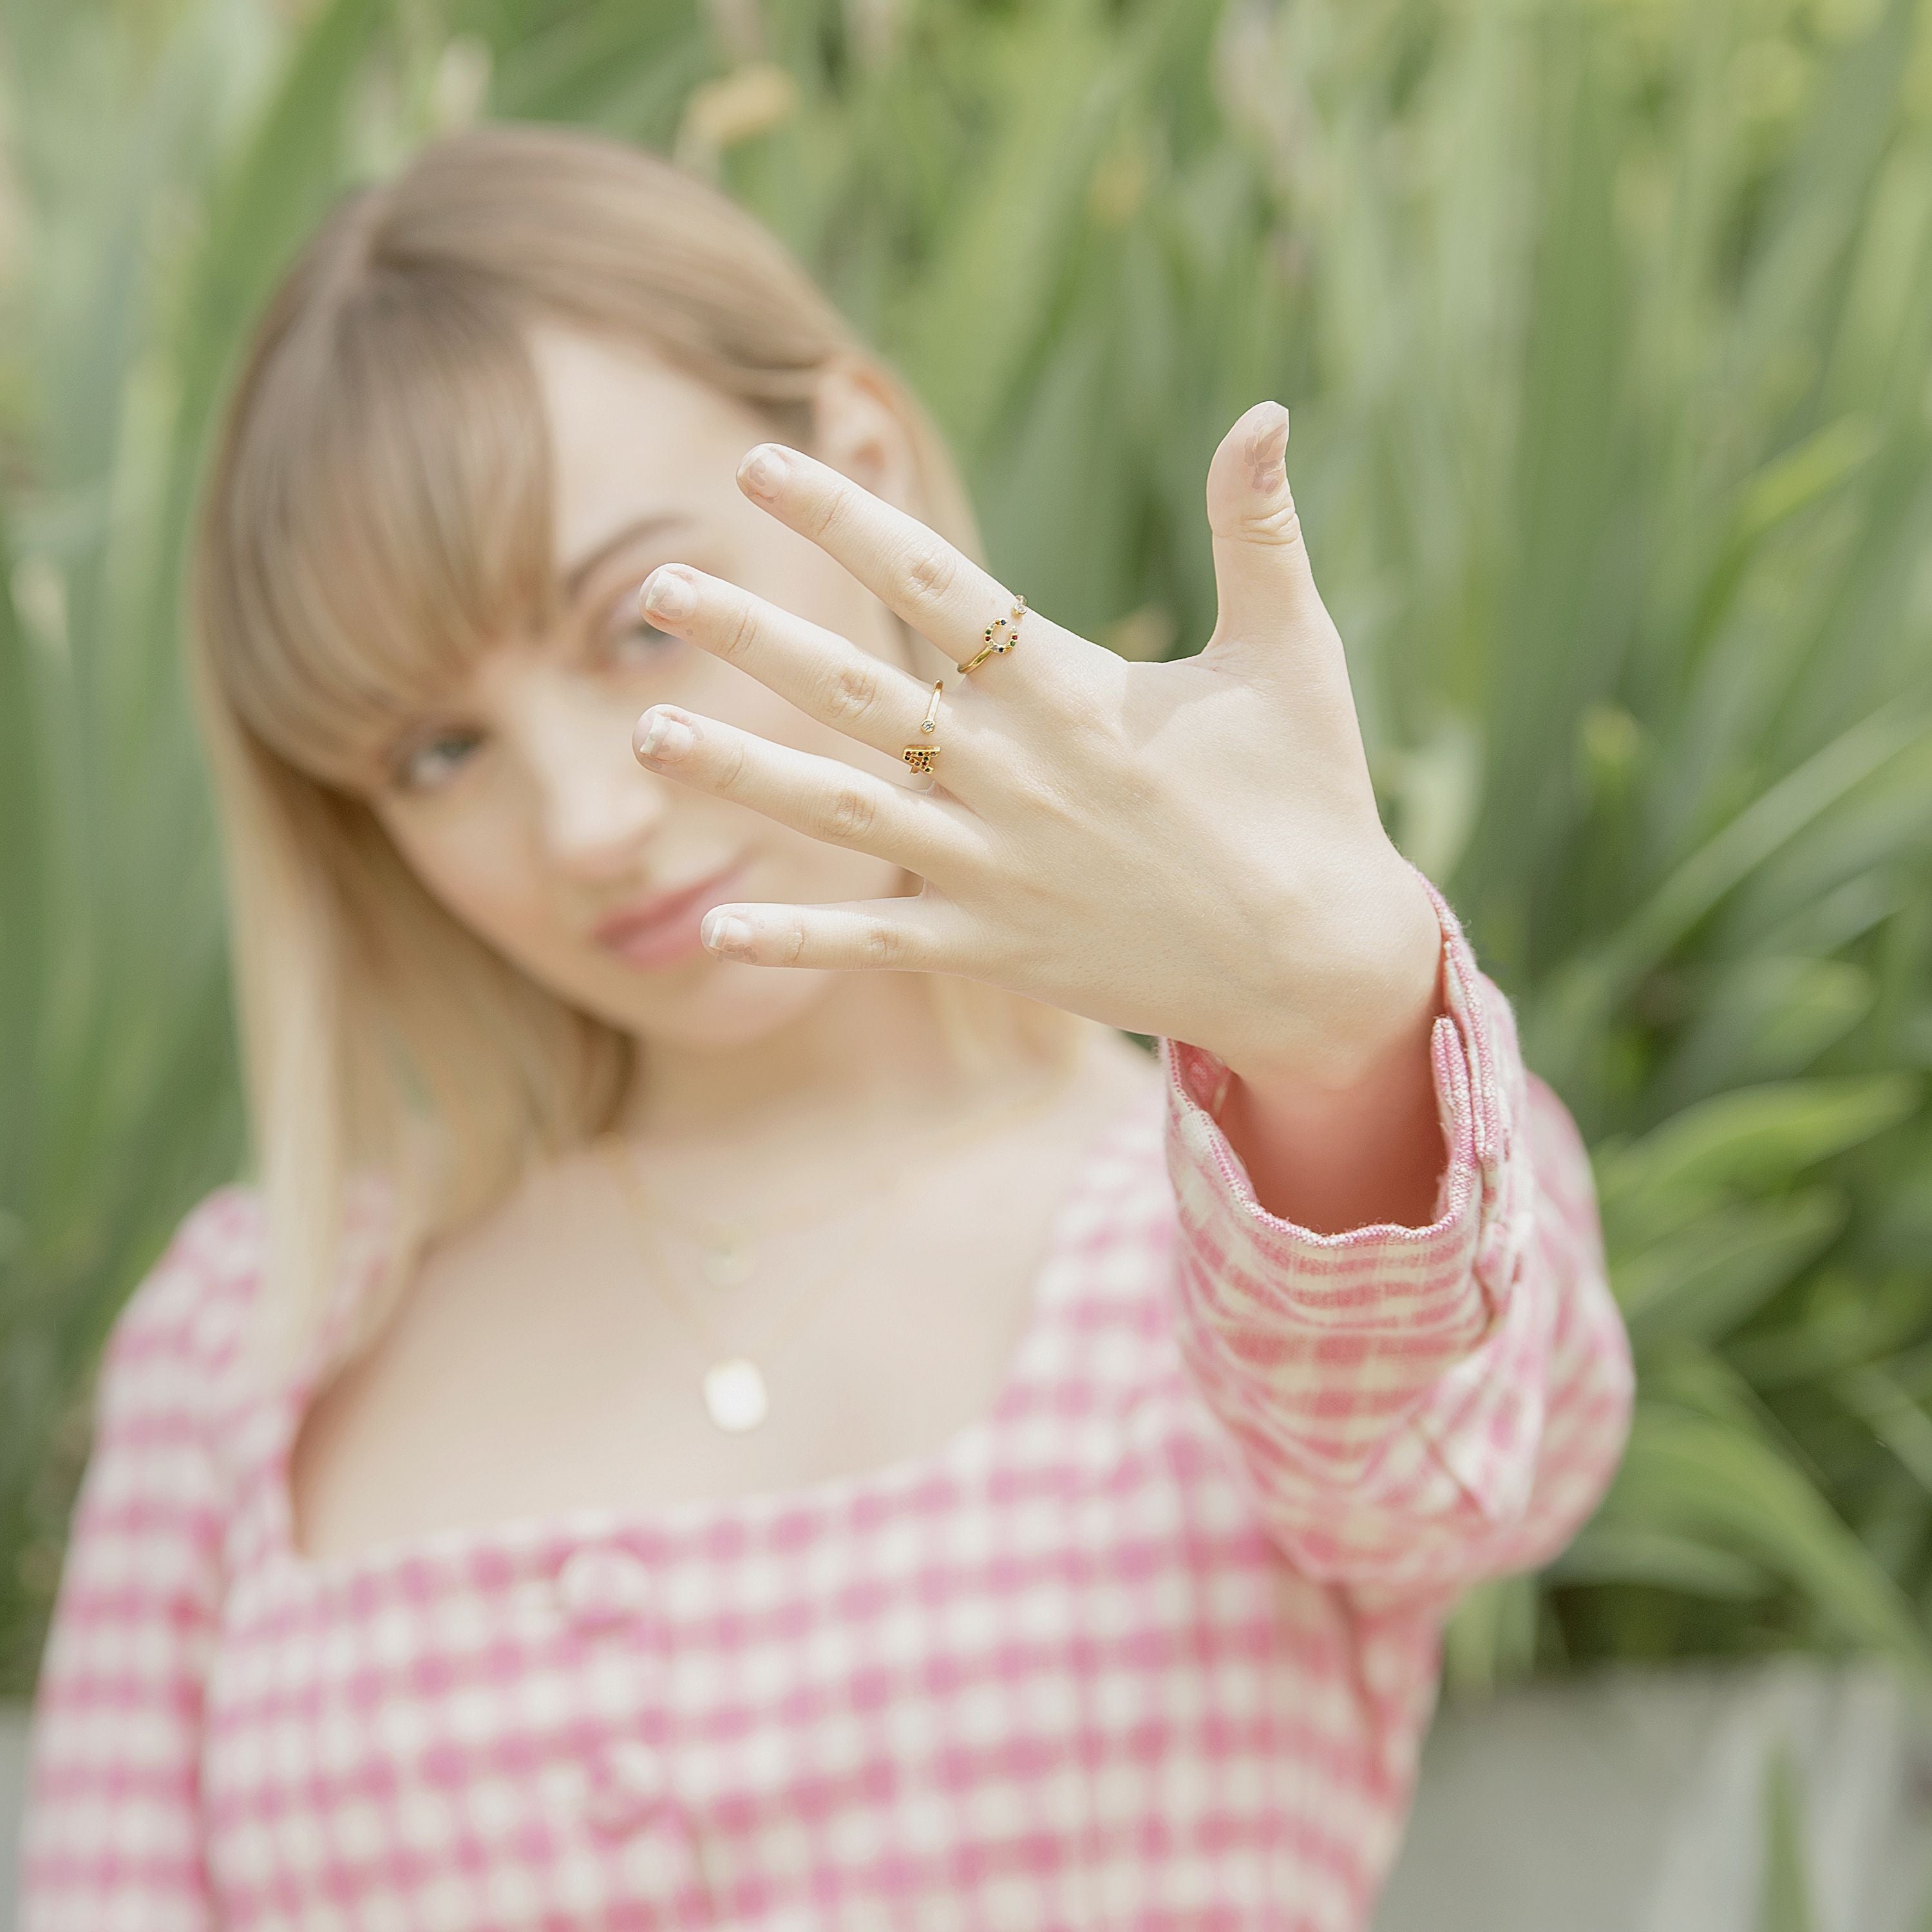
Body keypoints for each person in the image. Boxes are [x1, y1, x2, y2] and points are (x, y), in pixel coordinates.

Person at [15, 120, 1632, 1931]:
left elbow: (1478, 1445)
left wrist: (1339, 1033)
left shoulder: (1245, 1219)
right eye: (435, 752)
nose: (581, 819)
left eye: (635, 622)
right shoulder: (258, 1340)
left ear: (857, 464)